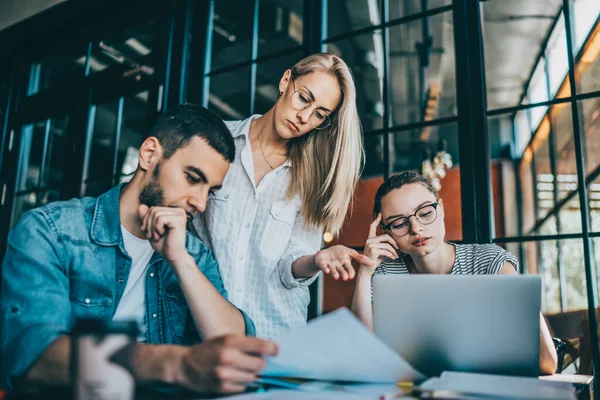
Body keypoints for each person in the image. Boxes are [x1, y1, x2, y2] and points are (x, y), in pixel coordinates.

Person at [1, 104, 278, 393]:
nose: (200, 203)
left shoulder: (193, 254)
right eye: (193, 179)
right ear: (149, 155)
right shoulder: (52, 230)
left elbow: (232, 344)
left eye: (209, 190)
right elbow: (31, 358)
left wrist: (180, 261)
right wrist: (176, 364)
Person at [193, 53, 373, 338]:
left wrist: (316, 259)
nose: (304, 117)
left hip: (274, 337)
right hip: (203, 334)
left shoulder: (312, 178)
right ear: (286, 81)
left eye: (319, 114)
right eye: (304, 98)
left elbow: (291, 266)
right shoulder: (215, 141)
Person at [350, 171, 558, 375]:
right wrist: (365, 272)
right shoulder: (386, 273)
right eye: (399, 223)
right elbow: (362, 350)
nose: (416, 228)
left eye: (424, 213)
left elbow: (545, 361)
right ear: (386, 232)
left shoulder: (489, 263)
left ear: (440, 209)